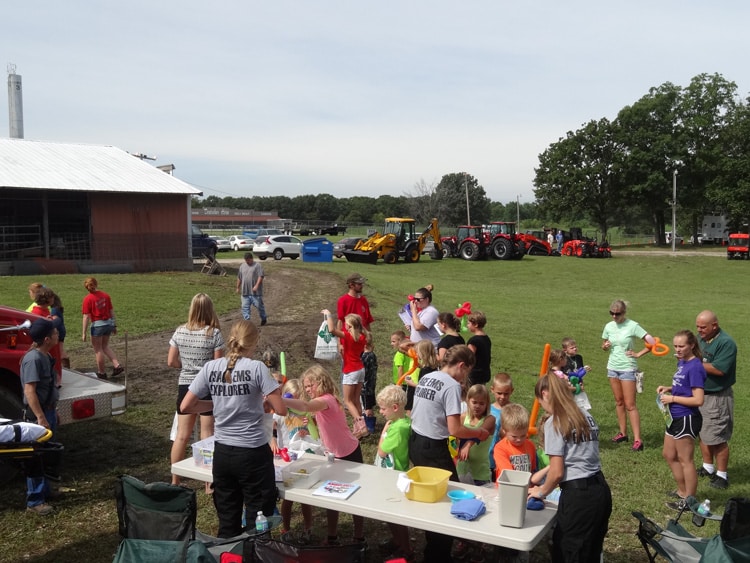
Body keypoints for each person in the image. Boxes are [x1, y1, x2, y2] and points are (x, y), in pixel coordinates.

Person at [180, 320, 286, 538]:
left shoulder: (212, 366)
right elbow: (281, 409)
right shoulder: (257, 368)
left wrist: (216, 404)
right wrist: (264, 401)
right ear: (253, 342)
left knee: (227, 521)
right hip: (252, 453)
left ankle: (229, 556)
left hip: (223, 453)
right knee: (258, 520)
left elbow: (186, 405)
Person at [409, 345, 490, 562]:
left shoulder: (428, 376)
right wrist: (478, 432)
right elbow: (454, 429)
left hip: (415, 440)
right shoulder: (451, 386)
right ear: (461, 366)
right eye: (467, 372)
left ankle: (433, 549)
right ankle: (438, 554)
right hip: (433, 447)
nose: (465, 378)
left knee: (432, 498)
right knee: (450, 498)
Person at [528, 372, 612, 563]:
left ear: (545, 393)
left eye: (540, 400)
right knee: (591, 550)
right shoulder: (585, 415)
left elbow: (556, 472)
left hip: (579, 497)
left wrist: (541, 491)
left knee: (568, 552)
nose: (542, 406)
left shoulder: (555, 422)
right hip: (600, 491)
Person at [283, 364, 365, 546]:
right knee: (331, 495)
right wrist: (312, 419)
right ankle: (332, 536)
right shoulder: (322, 402)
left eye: (310, 385)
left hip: (349, 453)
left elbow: (304, 405)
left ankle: (359, 537)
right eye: (305, 387)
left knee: (356, 499)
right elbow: (311, 414)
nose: (307, 389)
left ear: (320, 383)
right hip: (333, 455)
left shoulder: (326, 399)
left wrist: (284, 401)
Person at [167, 293, 224, 486]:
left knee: (182, 435)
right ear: (210, 309)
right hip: (207, 386)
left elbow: (171, 361)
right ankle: (209, 483)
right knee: (207, 434)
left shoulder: (180, 331)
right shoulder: (214, 333)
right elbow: (217, 364)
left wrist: (186, 366)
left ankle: (175, 480)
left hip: (186, 386)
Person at [659, 330, 706, 510]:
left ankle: (689, 501)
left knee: (685, 459)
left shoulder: (695, 367)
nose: (677, 349)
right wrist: (669, 388)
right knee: (669, 454)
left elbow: (698, 399)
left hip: (686, 417)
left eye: (681, 346)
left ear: (691, 345)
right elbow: (684, 385)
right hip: (674, 416)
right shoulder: (682, 362)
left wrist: (672, 399)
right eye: (675, 346)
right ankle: (682, 491)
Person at [601, 299, 656, 452]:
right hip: (612, 367)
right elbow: (605, 344)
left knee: (630, 405)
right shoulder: (608, 326)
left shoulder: (633, 326)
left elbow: (652, 341)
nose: (614, 316)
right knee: (619, 402)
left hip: (627, 369)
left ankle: (638, 440)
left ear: (624, 313)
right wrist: (605, 346)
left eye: (617, 314)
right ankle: (623, 433)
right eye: (611, 313)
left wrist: (639, 353)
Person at [20, 318, 61, 516]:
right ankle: (34, 501)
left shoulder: (45, 355)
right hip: (39, 415)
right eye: (54, 332)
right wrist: (40, 417)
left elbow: (48, 387)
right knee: (35, 457)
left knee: (45, 454)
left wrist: (53, 411)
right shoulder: (33, 359)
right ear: (47, 339)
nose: (57, 334)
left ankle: (44, 491)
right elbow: (30, 391)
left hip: (48, 411)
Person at [695, 310, 737, 489]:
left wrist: (693, 363)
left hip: (717, 397)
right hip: (700, 393)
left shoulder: (726, 343)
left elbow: (720, 370)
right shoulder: (701, 339)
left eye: (703, 327)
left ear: (715, 325)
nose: (699, 330)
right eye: (697, 326)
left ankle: (722, 475)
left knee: (718, 437)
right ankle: (708, 467)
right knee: (703, 432)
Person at [375, 384, 413, 562]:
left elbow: (381, 452)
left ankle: (405, 549)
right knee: (392, 514)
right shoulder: (404, 422)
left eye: (383, 408)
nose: (381, 412)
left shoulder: (396, 428)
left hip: (395, 475)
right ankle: (398, 542)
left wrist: (384, 431)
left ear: (394, 407)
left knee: (396, 516)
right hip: (398, 472)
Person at [274, 379, 314, 544]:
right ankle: (286, 528)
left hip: (303, 458)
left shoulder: (304, 415)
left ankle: (308, 528)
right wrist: (273, 442)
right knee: (288, 497)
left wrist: (308, 427)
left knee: (305, 496)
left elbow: (314, 432)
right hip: (286, 459)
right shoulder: (280, 414)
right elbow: (271, 426)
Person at [321, 309, 368, 438]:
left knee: (347, 401)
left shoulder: (348, 336)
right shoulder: (362, 337)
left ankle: (361, 425)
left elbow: (331, 330)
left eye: (346, 323)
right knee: (356, 400)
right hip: (360, 369)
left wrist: (329, 315)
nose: (344, 325)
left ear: (350, 326)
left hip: (350, 370)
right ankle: (357, 429)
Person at [81, 276, 124, 379]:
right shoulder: (106, 296)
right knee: (105, 346)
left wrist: (84, 332)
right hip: (108, 324)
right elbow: (111, 311)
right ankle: (117, 365)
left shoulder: (87, 299)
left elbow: (86, 316)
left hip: (97, 325)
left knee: (98, 349)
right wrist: (114, 325)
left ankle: (101, 372)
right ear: (96, 284)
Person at [456, 383, 495, 486]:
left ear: (487, 404)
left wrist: (468, 445)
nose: (477, 406)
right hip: (462, 470)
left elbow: (480, 432)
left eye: (482, 403)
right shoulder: (463, 417)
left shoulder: (489, 419)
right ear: (468, 401)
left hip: (480, 474)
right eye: (474, 402)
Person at [493, 403, 538, 480]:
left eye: (523, 435)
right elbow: (508, 473)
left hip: (527, 487)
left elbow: (533, 469)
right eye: (514, 436)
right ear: (504, 430)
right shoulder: (500, 448)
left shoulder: (530, 445)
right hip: (507, 488)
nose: (519, 439)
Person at [489, 372, 513, 482]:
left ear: (511, 391)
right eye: (499, 393)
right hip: (488, 457)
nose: (502, 397)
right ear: (492, 389)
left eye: (506, 393)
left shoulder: (513, 411)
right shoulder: (488, 410)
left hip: (504, 457)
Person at [236, 252, 267, 326]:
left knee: (259, 306)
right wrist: (237, 287)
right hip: (245, 292)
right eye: (246, 260)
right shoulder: (242, 266)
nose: (247, 261)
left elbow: (261, 276)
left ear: (251, 259)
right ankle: (247, 321)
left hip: (255, 293)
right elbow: (239, 278)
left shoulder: (257, 265)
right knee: (245, 307)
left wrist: (256, 286)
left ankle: (263, 318)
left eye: (248, 260)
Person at [466, 311, 491, 386]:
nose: (467, 326)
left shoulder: (474, 341)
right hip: (484, 373)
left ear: (476, 324)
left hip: (474, 375)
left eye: (469, 323)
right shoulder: (486, 338)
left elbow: (469, 358)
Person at [361, 332, 378, 434]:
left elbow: (364, 372)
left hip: (365, 387)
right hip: (371, 385)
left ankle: (369, 425)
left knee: (367, 407)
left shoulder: (365, 356)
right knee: (368, 405)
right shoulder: (372, 355)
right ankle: (367, 421)